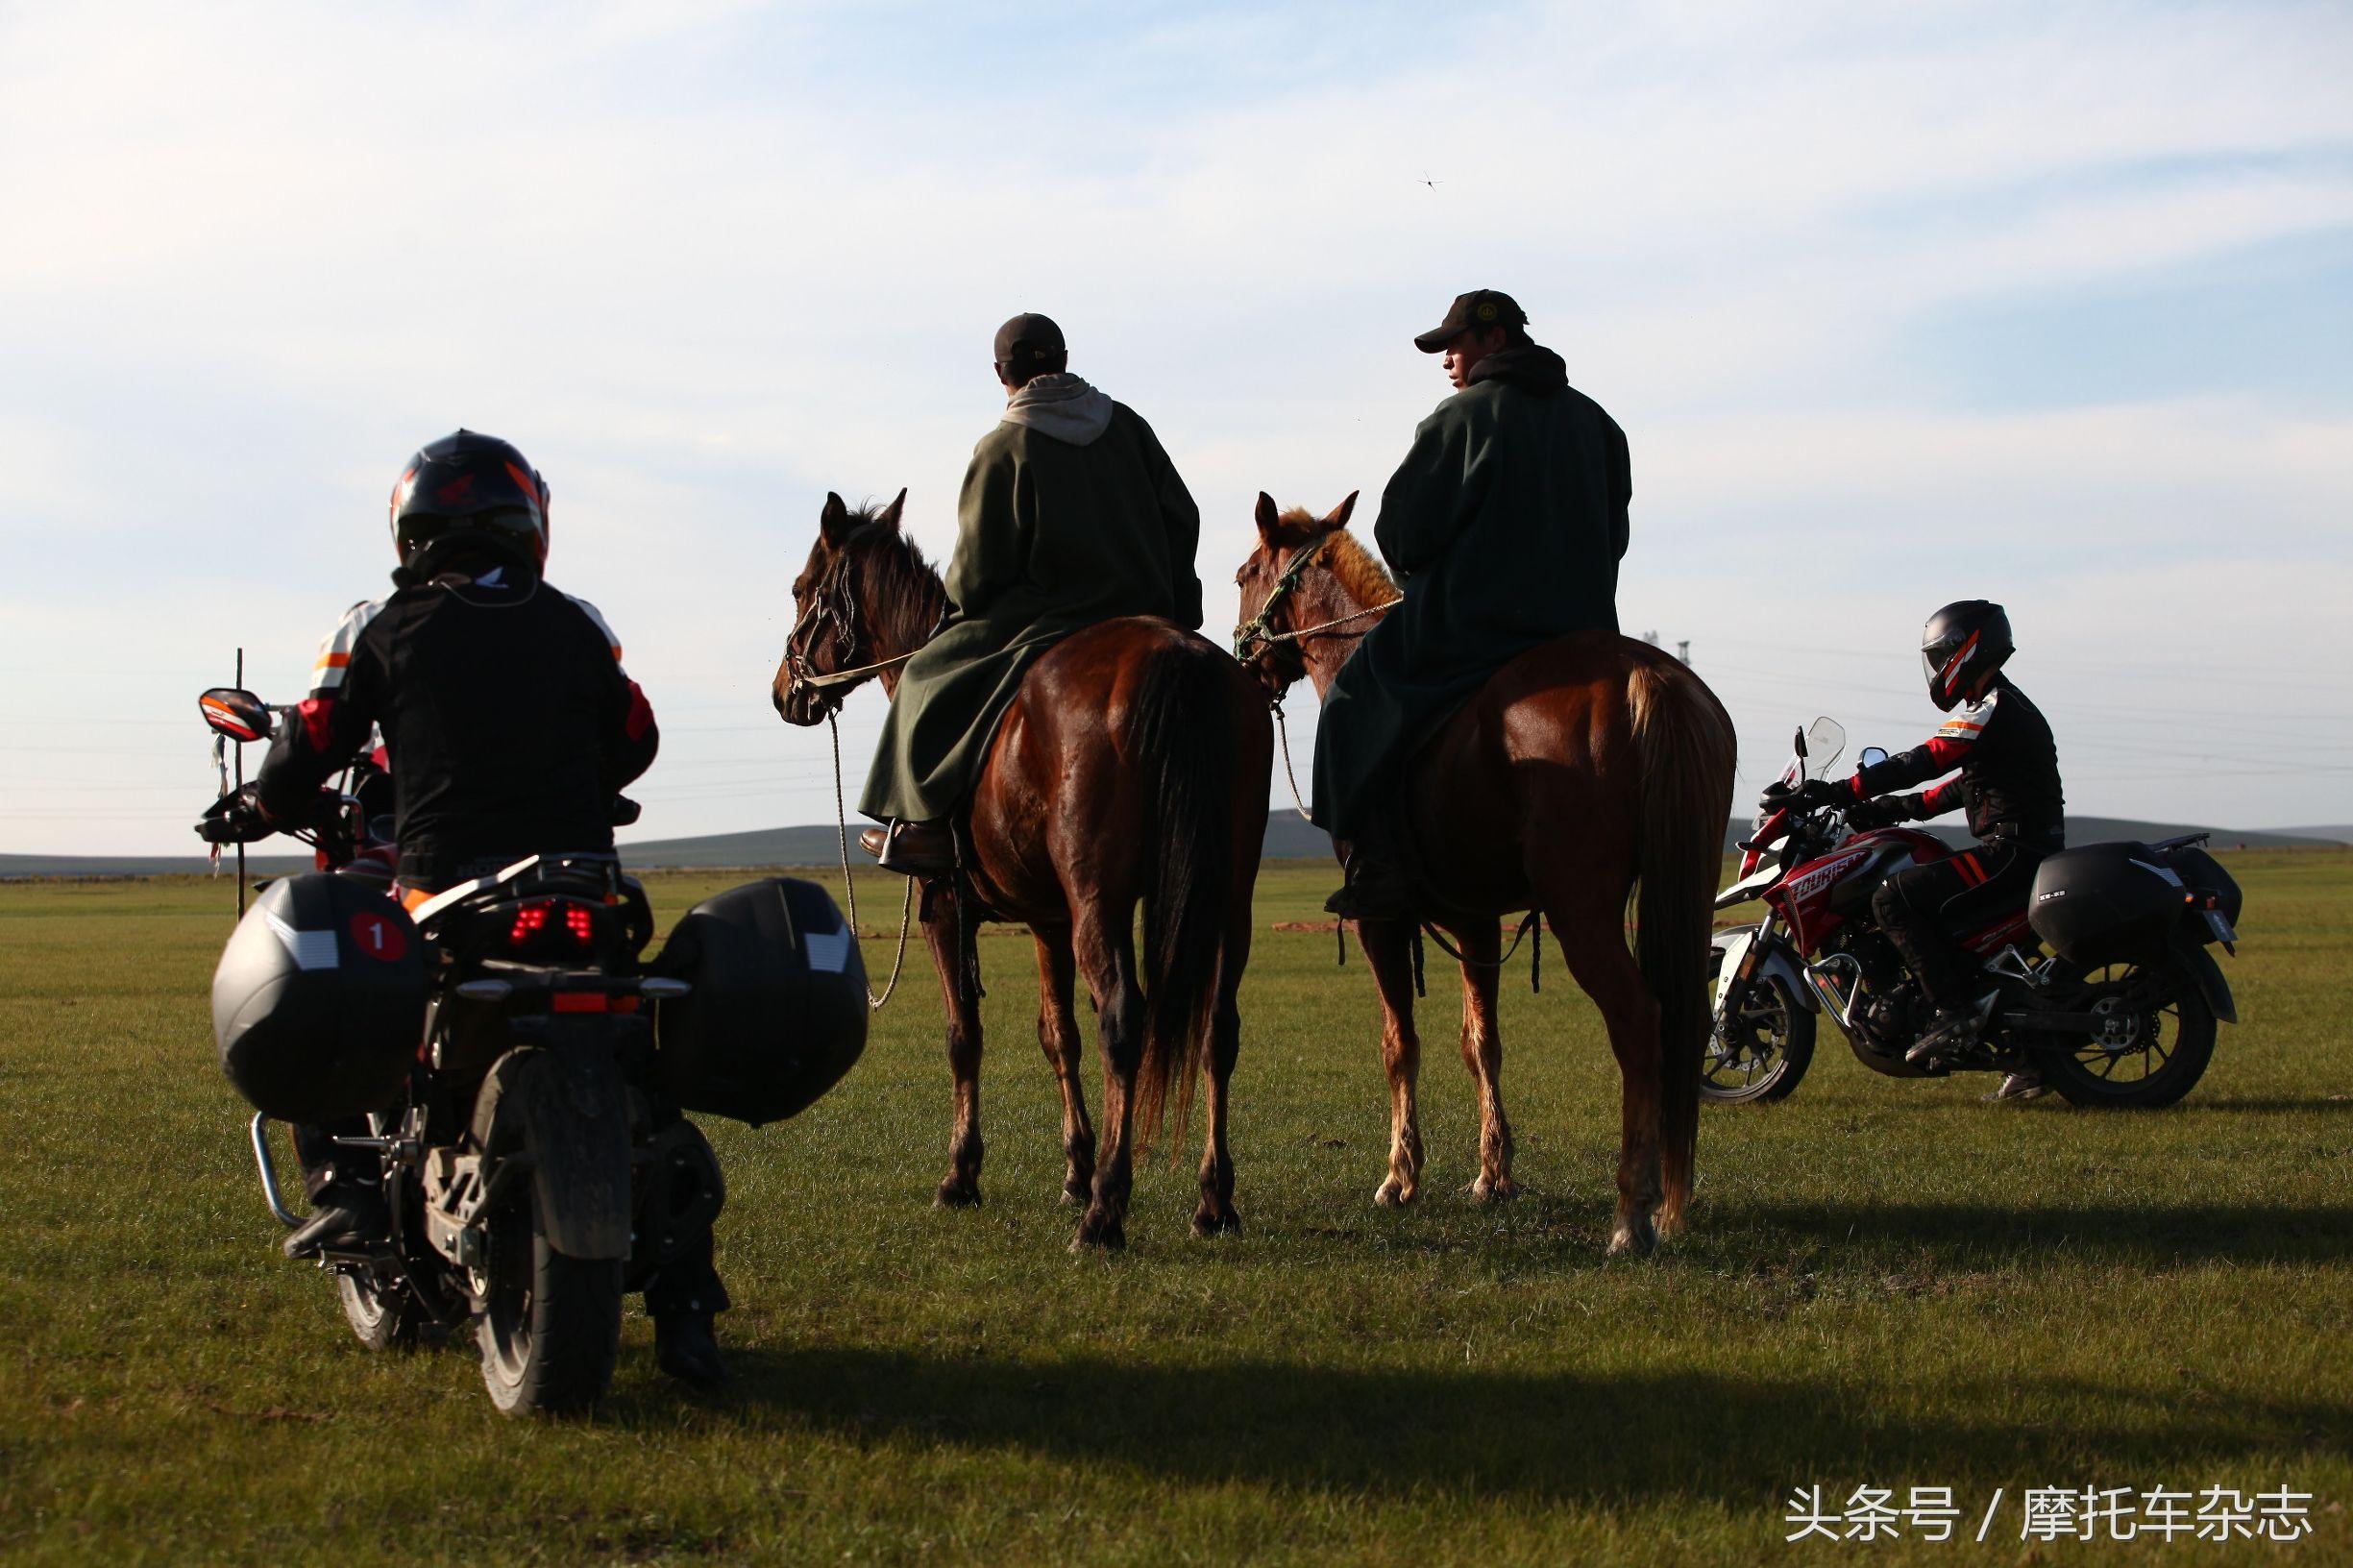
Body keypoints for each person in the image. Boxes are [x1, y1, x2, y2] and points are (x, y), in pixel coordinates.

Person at [208, 429, 727, 1383]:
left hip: (444, 887)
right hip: (587, 886)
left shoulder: (381, 622)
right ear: (529, 524)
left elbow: (312, 742)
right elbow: (635, 736)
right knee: (642, 1074)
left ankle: (356, 1204)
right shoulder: (577, 622)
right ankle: (688, 1300)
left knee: (338, 1000)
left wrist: (264, 804)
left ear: (412, 530)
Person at [1313, 290, 1630, 918]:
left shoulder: (1459, 419)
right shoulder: (1596, 422)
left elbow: (1401, 538)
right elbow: (1614, 534)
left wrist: (1424, 576)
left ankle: (1377, 862)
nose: (1445, 361)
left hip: (1472, 633)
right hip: (1585, 633)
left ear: (1493, 340)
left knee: (1352, 696)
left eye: (1452, 345)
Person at [858, 312, 1204, 873]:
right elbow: (1182, 516)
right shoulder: (1130, 426)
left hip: (1044, 621)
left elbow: (976, 575)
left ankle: (925, 830)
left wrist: (958, 609)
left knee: (922, 675)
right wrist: (1180, 608)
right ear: (1065, 358)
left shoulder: (1003, 445)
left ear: (1001, 374)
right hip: (1147, 612)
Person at [1792, 600, 2065, 1101]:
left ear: (1967, 650)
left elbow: (1928, 759)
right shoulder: (2002, 711)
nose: (1937, 670)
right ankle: (2027, 1053)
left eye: (1940, 657)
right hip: (2022, 849)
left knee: (1893, 899)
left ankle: (1953, 1012)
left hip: (2013, 852)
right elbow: (1958, 789)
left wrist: (1845, 790)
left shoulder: (1993, 708)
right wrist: (1887, 809)